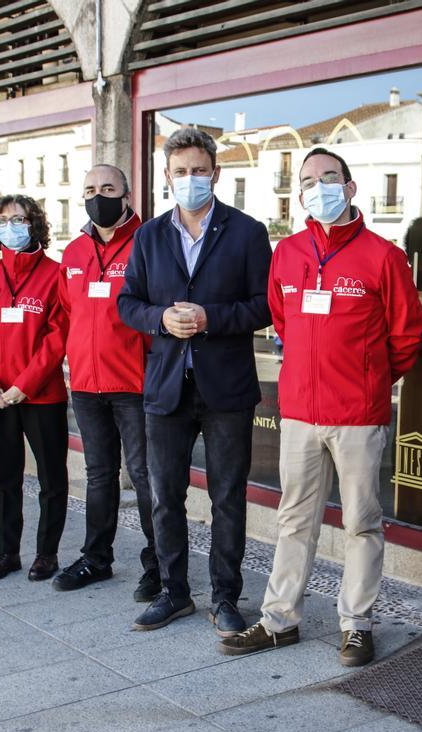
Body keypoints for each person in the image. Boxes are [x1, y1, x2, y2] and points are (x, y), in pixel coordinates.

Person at [217, 147, 422, 667]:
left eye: (328, 177)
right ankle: (279, 620)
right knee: (294, 520)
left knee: (361, 522)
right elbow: (284, 323)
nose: (317, 187)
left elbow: (406, 337)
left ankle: (357, 624)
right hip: (299, 414)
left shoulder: (384, 256)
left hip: (358, 415)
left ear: (350, 187)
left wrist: (368, 378)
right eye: (308, 181)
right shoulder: (287, 253)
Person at [117, 127, 272, 635]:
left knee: (228, 495)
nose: (191, 179)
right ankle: (173, 591)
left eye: (199, 171)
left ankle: (226, 596)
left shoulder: (247, 233)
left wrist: (211, 318)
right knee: (165, 495)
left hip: (225, 388)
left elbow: (264, 305)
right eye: (181, 172)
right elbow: (128, 303)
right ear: (167, 178)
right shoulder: (148, 236)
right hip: (166, 388)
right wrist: (161, 319)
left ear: (216, 174)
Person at [52, 165, 160, 596]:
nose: (99, 196)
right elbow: (66, 313)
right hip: (85, 384)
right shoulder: (74, 252)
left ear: (127, 194)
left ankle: (160, 563)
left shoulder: (149, 243)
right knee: (98, 475)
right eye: (91, 189)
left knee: (146, 475)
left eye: (109, 188)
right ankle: (97, 558)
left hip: (134, 384)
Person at [0, 195, 70, 582]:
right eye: (3, 219)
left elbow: (58, 336)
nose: (11, 226)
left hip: (41, 396)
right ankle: (6, 552)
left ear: (34, 224)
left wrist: (24, 385)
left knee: (51, 478)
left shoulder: (55, 274)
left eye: (19, 218)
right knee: (4, 477)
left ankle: (47, 553)